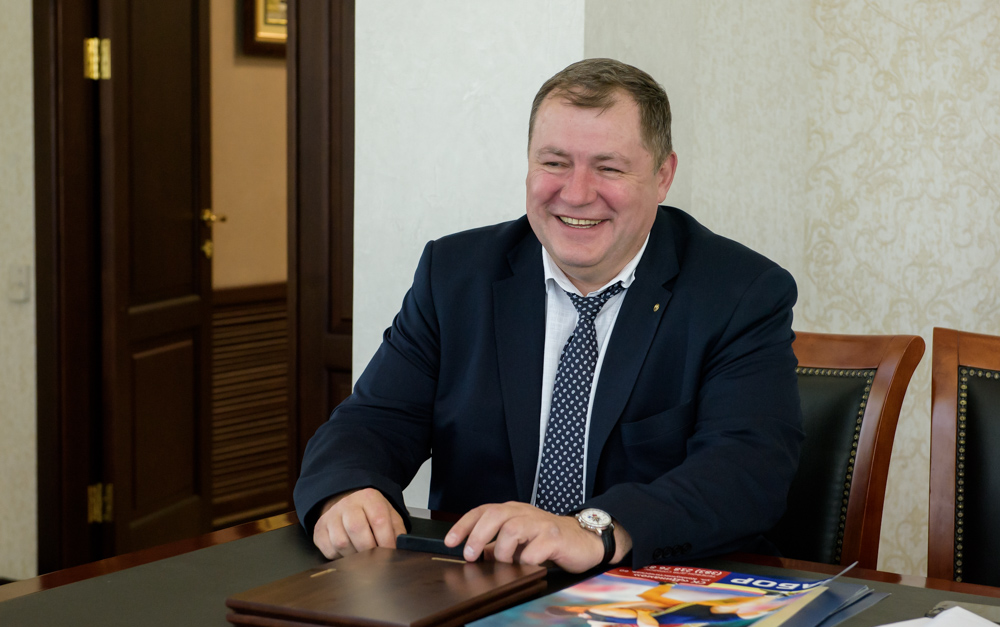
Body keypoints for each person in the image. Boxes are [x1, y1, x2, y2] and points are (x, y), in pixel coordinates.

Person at [293, 58, 803, 574]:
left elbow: (747, 471)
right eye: (555, 163)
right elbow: (373, 421)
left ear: (663, 176)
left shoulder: (740, 293)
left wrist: (594, 529)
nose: (576, 193)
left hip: (653, 589)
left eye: (609, 168)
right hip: (482, 582)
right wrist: (346, 491)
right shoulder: (454, 276)